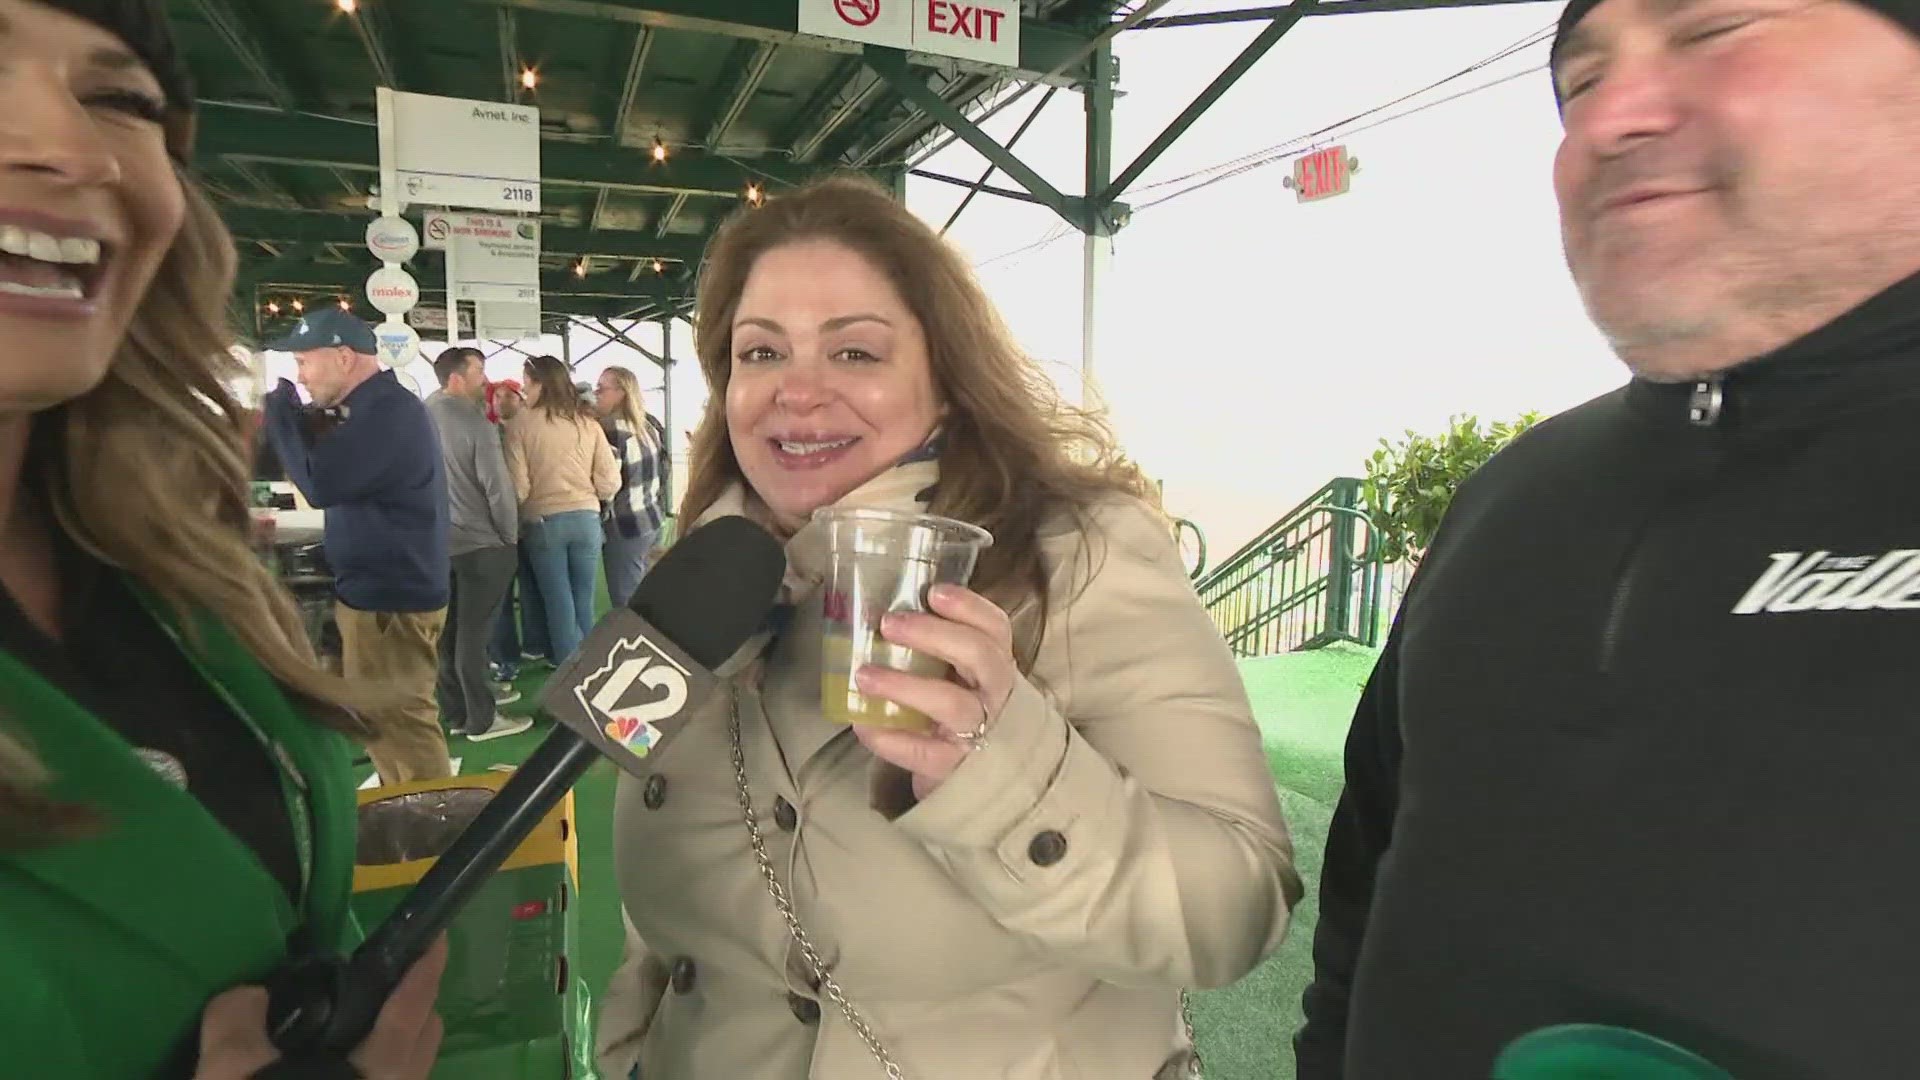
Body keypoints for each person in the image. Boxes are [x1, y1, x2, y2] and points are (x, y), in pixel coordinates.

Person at [1293, 1, 1920, 1076]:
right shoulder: (1514, 497)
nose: (1607, 119)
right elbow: (1359, 920)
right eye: (1577, 83)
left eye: (1716, 27)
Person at [594, 176, 1300, 1080]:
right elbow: (655, 937)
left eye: (854, 354)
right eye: (761, 353)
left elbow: (1237, 909)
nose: (797, 394)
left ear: (947, 383)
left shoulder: (1074, 555)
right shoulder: (688, 571)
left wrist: (1007, 776)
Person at [0, 1, 444, 1077]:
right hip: (372, 577)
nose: (62, 144)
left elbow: (326, 479)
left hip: (396, 583)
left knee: (412, 723)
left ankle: (430, 822)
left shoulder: (159, 571)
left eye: (119, 99)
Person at [261, 308, 454, 785]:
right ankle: (412, 818)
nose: (300, 376)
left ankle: (443, 837)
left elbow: (321, 482)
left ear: (344, 358)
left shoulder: (389, 413)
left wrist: (280, 414)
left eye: (306, 362)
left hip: (391, 601)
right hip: (380, 595)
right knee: (384, 727)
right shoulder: (372, 409)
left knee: (402, 726)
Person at [425, 347, 530, 741]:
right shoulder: (475, 423)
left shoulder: (424, 414)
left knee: (450, 633)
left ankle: (458, 710)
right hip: (482, 542)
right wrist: (508, 534)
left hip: (442, 542)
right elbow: (497, 488)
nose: (485, 381)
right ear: (457, 377)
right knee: (474, 633)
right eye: (479, 372)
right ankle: (483, 721)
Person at [504, 353, 618, 663]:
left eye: (527, 382)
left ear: (539, 383)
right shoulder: (587, 423)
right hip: (587, 519)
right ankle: (592, 669)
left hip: (543, 521)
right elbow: (609, 481)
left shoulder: (519, 425)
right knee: (584, 600)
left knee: (558, 603)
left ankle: (570, 680)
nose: (524, 389)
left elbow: (519, 487)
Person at [593, 364, 666, 609]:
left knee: (626, 602)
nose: (596, 394)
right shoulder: (650, 427)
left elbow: (607, 484)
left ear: (621, 392)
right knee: (651, 596)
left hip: (625, 526)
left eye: (601, 389)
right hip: (652, 520)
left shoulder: (609, 430)